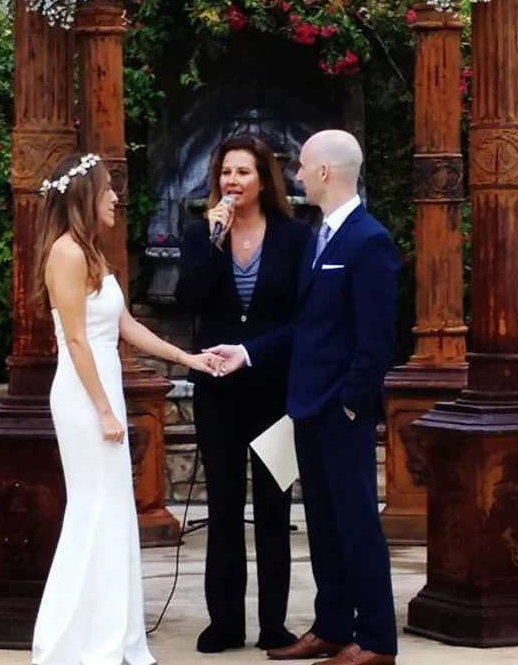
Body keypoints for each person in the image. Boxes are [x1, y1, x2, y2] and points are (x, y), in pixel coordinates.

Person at [210, 130, 400, 665]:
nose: (295, 175)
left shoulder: (368, 240)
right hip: (308, 408)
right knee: (324, 522)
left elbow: (376, 339)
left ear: (324, 172)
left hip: (340, 411)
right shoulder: (321, 236)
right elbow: (307, 326)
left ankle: (377, 639)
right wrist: (246, 352)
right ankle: (333, 626)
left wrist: (350, 402)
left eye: (302, 166)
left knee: (356, 523)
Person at [31, 151, 218, 665]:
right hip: (83, 396)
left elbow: (126, 328)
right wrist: (104, 411)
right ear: (84, 196)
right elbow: (75, 339)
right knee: (93, 510)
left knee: (114, 513)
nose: (115, 197)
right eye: (107, 189)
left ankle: (113, 633)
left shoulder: (92, 253)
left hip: (102, 391)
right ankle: (74, 639)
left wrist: (189, 359)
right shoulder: (66, 253)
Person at [176, 135, 310, 654]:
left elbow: (302, 316)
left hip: (275, 389)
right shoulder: (199, 234)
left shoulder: (295, 237)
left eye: (243, 172)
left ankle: (274, 623)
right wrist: (215, 241)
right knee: (225, 504)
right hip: (219, 391)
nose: (232, 181)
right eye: (226, 172)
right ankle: (225, 622)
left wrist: (255, 352)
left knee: (274, 506)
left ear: (263, 179)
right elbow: (189, 298)